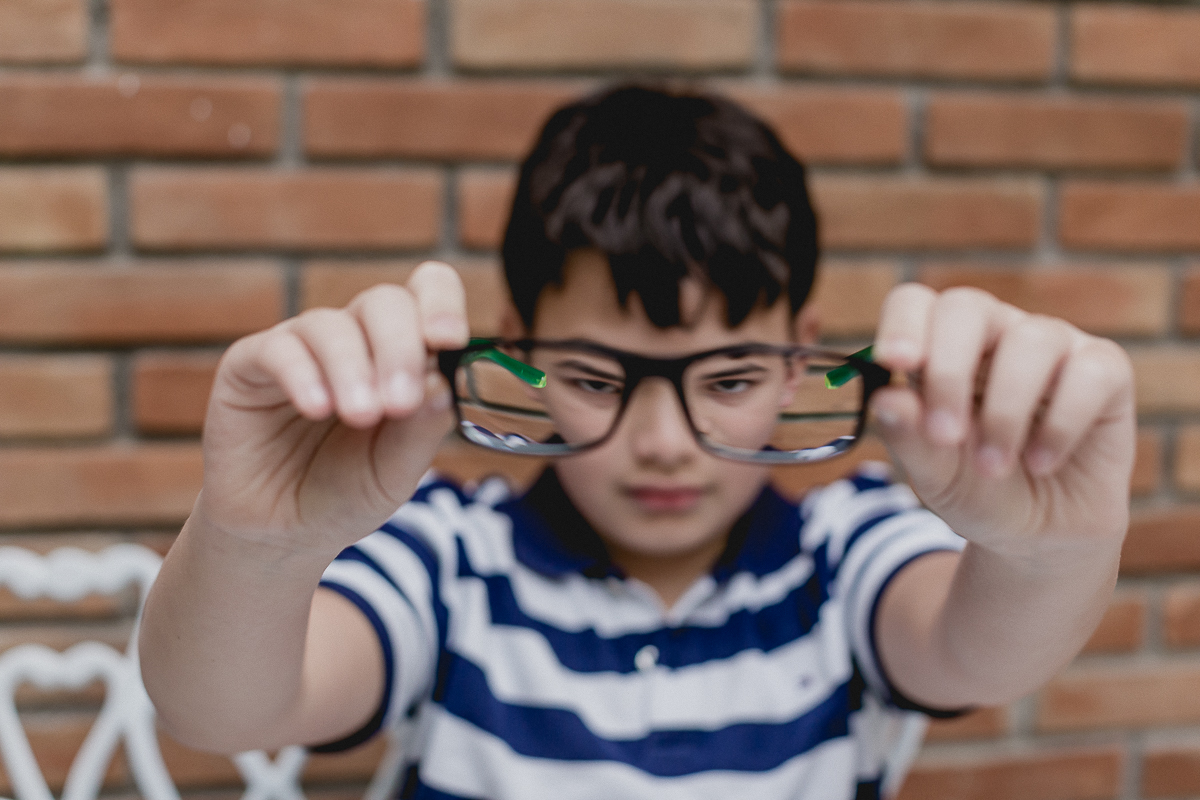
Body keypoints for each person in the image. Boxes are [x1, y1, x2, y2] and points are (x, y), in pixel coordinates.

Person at [138, 85, 1135, 799]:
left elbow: (981, 649)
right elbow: (221, 709)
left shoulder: (845, 549)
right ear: (520, 349)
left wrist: (1052, 549)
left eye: (730, 379)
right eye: (596, 377)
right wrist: (258, 545)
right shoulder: (451, 555)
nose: (663, 444)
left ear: (800, 358)